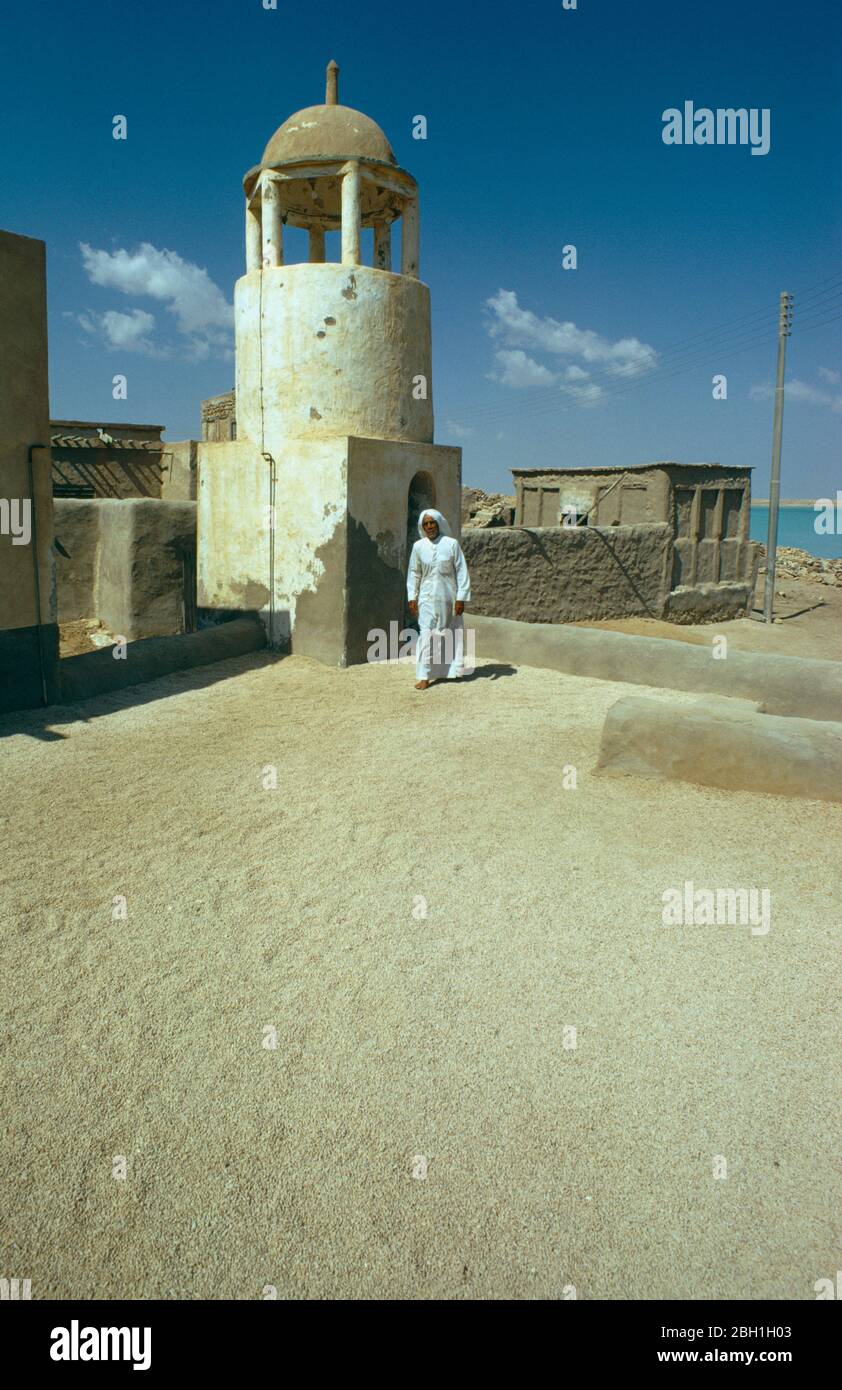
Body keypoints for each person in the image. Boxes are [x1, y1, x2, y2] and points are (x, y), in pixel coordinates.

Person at [407, 508, 471, 690]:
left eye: (432, 523)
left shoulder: (451, 544)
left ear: (438, 523)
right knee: (426, 635)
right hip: (426, 598)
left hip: (448, 598)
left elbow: (461, 571)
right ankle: (424, 675)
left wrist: (461, 598)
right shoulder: (418, 547)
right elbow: (414, 573)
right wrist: (412, 597)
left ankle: (450, 671)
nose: (429, 526)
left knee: (447, 634)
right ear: (422, 526)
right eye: (425, 524)